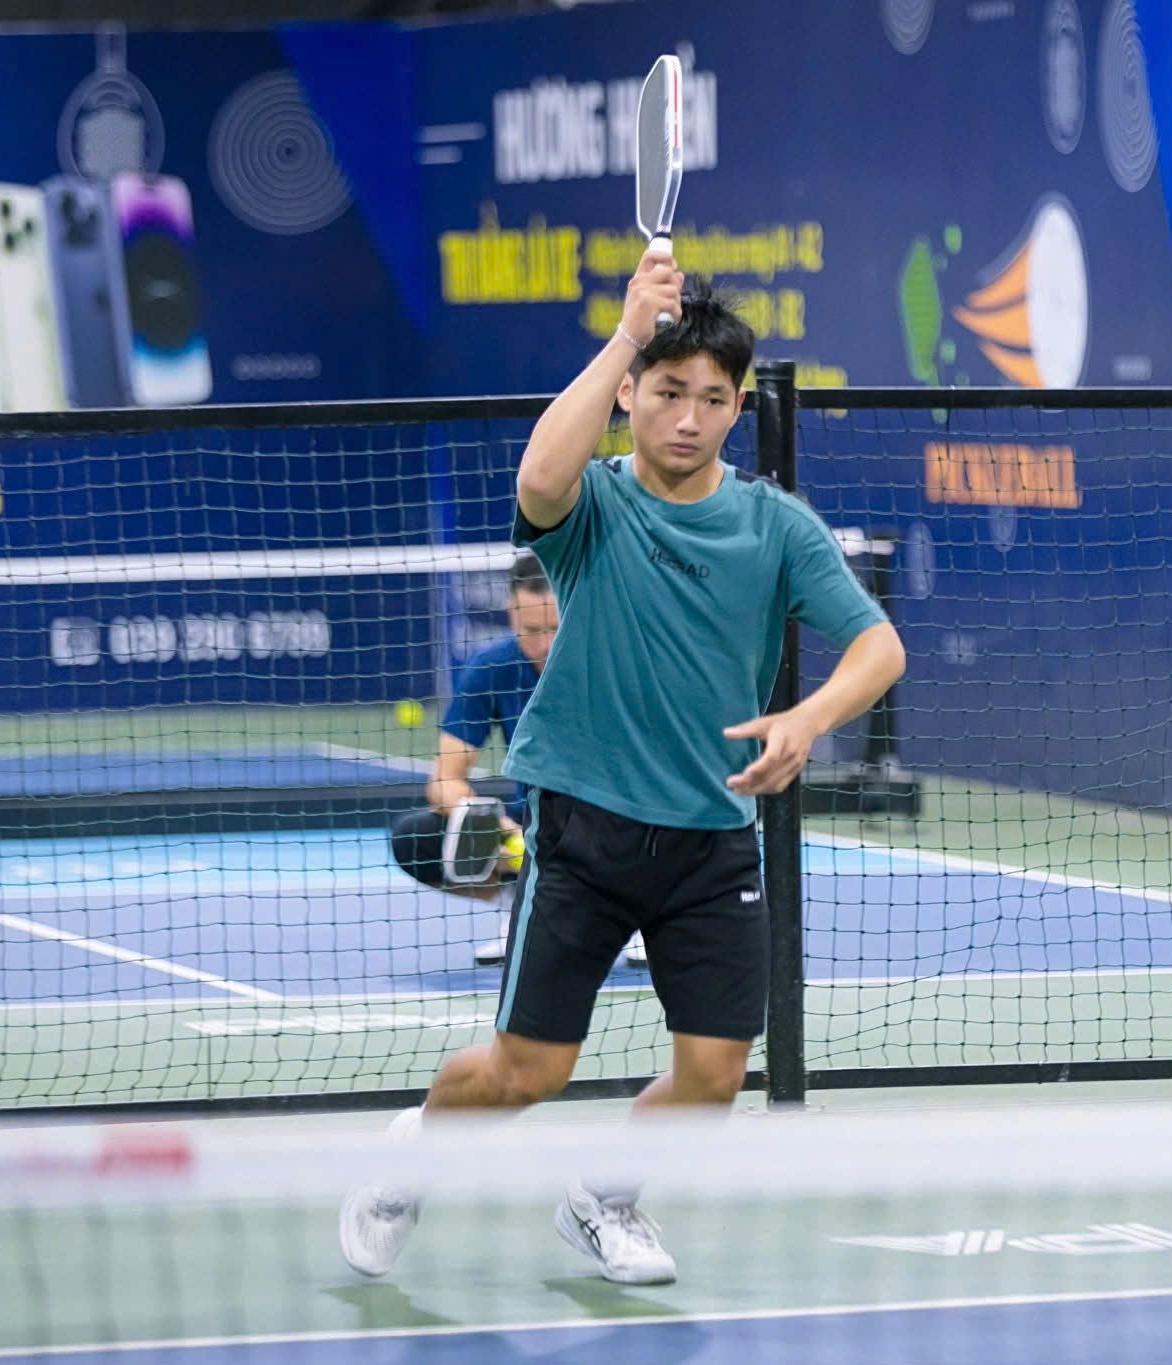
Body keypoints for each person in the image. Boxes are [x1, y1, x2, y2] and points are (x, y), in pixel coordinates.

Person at [340, 243, 906, 1286]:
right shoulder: (594, 505)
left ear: (737, 409)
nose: (688, 417)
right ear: (631, 396)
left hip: (711, 838)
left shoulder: (773, 525)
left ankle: (603, 1199)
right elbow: (536, 478)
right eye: (667, 391)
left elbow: (879, 645)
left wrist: (809, 716)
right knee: (527, 1072)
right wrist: (624, 334)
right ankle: (412, 1157)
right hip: (583, 827)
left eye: (713, 399)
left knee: (714, 1075)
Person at [386, 554, 643, 970]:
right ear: (512, 615)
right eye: (532, 631)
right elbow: (444, 781)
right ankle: (522, 902)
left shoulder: (615, 661)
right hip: (536, 827)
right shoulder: (492, 668)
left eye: (556, 629)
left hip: (620, 816)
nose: (545, 645)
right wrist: (494, 827)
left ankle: (640, 914)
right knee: (415, 839)